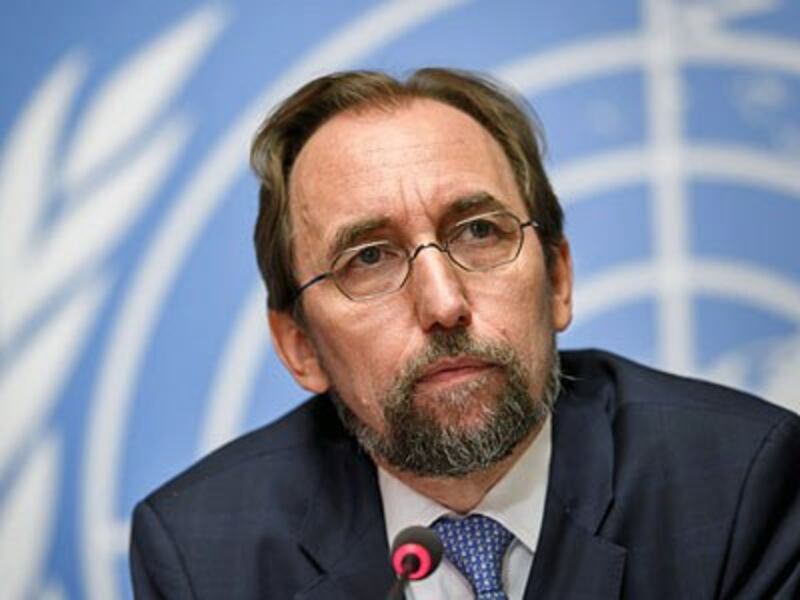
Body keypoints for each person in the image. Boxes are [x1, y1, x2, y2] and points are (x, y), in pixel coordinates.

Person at [129, 68, 800, 599]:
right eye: (368, 258)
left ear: (559, 279)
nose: (444, 304)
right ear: (299, 346)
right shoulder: (203, 553)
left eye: (479, 232)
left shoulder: (740, 483)